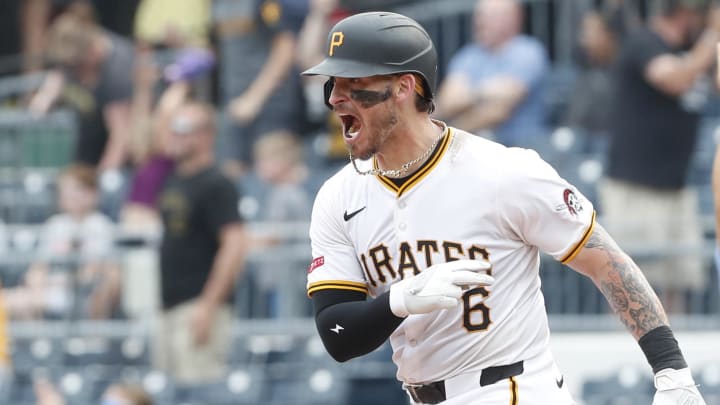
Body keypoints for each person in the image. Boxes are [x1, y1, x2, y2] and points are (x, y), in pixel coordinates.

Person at [301, 11, 706, 405]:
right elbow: (338, 337)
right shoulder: (339, 197)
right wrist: (397, 300)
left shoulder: (502, 171)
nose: (335, 98)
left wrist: (671, 369)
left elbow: (605, 262)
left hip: (512, 388)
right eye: (333, 84)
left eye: (353, 82)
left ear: (405, 87)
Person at [601, 0, 720, 314]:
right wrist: (712, 37)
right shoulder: (644, 42)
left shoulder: (694, 48)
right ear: (684, 13)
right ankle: (627, 362)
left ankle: (673, 361)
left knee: (676, 285)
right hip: (637, 186)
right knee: (635, 291)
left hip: (676, 186)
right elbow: (675, 79)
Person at [154, 101, 249, 384]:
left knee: (198, 391)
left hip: (198, 306)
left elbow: (234, 246)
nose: (173, 136)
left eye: (183, 129)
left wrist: (208, 306)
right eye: (172, 129)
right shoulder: (174, 179)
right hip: (169, 306)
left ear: (207, 136)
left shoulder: (217, 183)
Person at [2, 164, 121, 321]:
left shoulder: (101, 225)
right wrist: (38, 289)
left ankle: (93, 342)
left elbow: (103, 270)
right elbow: (38, 268)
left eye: (77, 189)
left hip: (87, 292)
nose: (70, 195)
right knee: (11, 300)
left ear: (93, 193)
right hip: (53, 289)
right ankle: (40, 343)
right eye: (66, 190)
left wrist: (79, 283)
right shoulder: (55, 225)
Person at [435, 0, 548, 148]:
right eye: (479, 16)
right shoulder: (468, 56)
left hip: (520, 149)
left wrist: (446, 136)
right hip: (470, 149)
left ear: (514, 18)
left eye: (491, 16)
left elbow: (499, 110)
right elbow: (447, 102)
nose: (480, 22)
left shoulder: (528, 51)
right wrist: (485, 93)